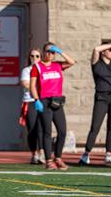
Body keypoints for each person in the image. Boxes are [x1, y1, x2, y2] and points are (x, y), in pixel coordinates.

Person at [29, 42, 76, 170]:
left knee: (62, 131)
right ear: (44, 53)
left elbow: (72, 62)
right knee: (47, 132)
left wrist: (60, 52)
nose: (50, 54)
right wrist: (36, 100)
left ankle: (58, 157)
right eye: (48, 52)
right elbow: (32, 85)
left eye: (53, 52)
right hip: (44, 100)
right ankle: (48, 160)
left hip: (57, 101)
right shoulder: (37, 67)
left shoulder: (58, 65)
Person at [19, 48, 44, 164]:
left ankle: (42, 152)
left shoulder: (43, 69)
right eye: (32, 56)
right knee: (32, 129)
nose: (35, 58)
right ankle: (34, 153)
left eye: (37, 56)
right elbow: (26, 84)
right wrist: (37, 88)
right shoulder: (26, 70)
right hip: (30, 101)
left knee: (43, 129)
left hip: (43, 101)